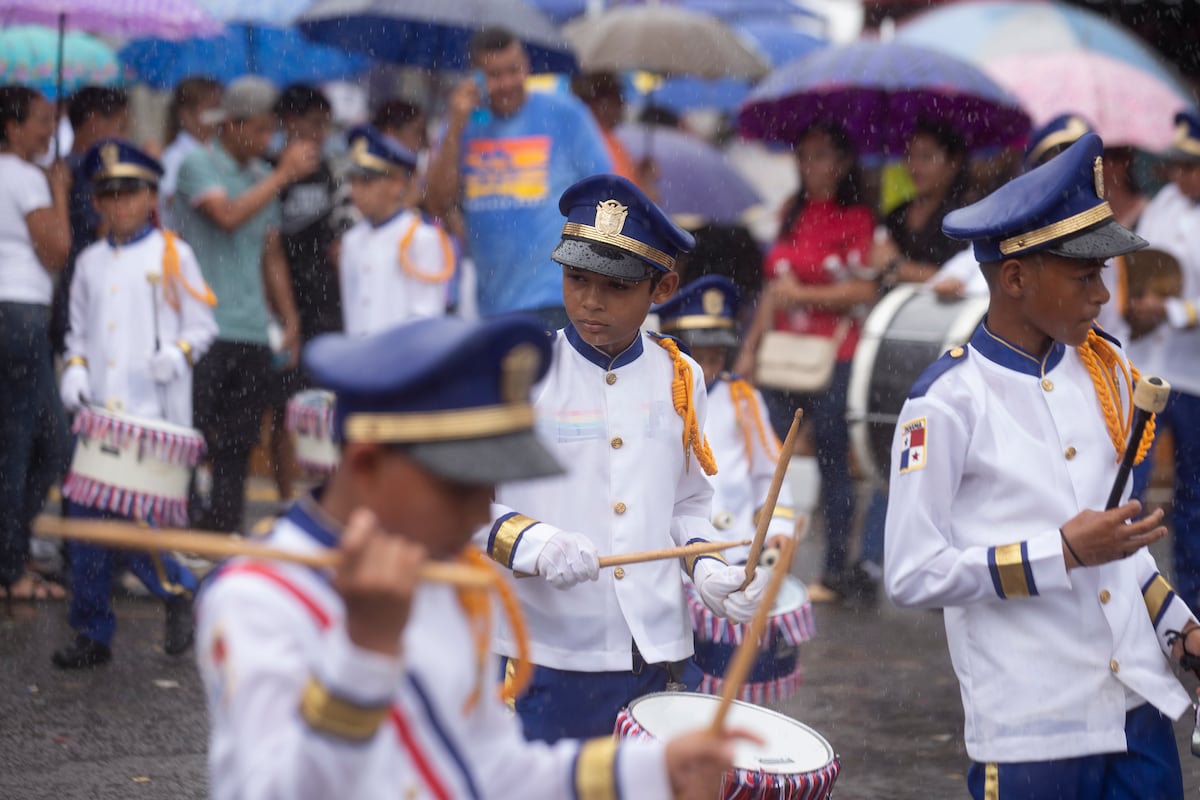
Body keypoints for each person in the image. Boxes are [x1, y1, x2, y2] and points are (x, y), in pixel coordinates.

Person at [195, 314, 751, 800]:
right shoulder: (261, 595)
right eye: (460, 488)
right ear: (366, 464)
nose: (477, 516)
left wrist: (654, 772)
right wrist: (364, 654)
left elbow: (492, 774)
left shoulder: (447, 577)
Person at [884, 132, 1200, 800]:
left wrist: (1182, 629)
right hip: (1031, 719)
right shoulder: (945, 404)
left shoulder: (1104, 375)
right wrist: (1057, 553)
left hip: (1134, 704)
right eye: (1085, 276)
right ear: (1017, 277)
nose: (1102, 295)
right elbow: (913, 572)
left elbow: (1117, 547)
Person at [477, 174, 769, 743]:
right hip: (547, 652)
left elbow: (686, 503)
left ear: (661, 290)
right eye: (577, 278)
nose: (590, 300)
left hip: (652, 656)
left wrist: (704, 565)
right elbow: (458, 509)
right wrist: (533, 542)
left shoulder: (680, 375)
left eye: (615, 286)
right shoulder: (520, 372)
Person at [53, 140, 217, 669]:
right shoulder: (89, 261)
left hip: (151, 416)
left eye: (128, 193)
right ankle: (93, 630)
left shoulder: (174, 252)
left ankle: (177, 587)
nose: (118, 204)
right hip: (100, 413)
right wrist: (75, 370)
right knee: (85, 523)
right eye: (108, 194)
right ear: (97, 201)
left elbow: (202, 325)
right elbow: (76, 332)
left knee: (131, 524)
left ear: (150, 196)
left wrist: (178, 352)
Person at [733, 120, 877, 604]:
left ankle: (836, 568)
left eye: (820, 155)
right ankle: (765, 556)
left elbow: (864, 289)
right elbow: (773, 290)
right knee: (770, 454)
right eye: (805, 156)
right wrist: (749, 349)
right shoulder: (791, 212)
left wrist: (808, 294)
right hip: (782, 353)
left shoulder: (857, 219)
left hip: (835, 352)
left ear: (841, 163)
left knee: (835, 460)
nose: (811, 165)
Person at [174, 76, 319, 533]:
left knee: (238, 443)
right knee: (192, 437)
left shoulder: (261, 176)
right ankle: (180, 530)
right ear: (231, 125)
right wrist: (283, 175)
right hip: (203, 328)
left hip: (253, 329)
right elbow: (229, 216)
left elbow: (271, 252)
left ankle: (225, 531)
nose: (266, 141)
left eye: (270, 131)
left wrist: (289, 319)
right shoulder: (198, 164)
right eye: (258, 130)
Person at [424, 26, 612, 328]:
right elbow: (436, 203)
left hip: (559, 296)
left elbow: (608, 194)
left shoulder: (566, 113)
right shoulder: (461, 122)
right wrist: (456, 125)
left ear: (527, 65)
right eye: (495, 75)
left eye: (515, 70)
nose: (508, 83)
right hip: (492, 304)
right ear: (475, 76)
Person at [653, 274, 797, 560]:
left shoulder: (743, 399)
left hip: (735, 549)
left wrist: (778, 526)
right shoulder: (652, 396)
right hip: (670, 556)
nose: (704, 370)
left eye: (715, 358)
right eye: (696, 358)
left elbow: (767, 473)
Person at [0, 85, 72, 602]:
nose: (50, 132)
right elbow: (56, 250)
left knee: (47, 441)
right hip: (21, 314)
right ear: (12, 128)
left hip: (14, 316)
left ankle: (12, 548)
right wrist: (61, 191)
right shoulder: (25, 177)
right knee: (24, 444)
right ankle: (9, 568)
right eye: (42, 121)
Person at [265, 84, 347, 502]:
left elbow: (342, 226)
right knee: (284, 406)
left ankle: (325, 493)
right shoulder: (269, 171)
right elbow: (268, 245)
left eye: (324, 125)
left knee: (324, 404)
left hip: (329, 304)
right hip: (284, 305)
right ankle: (283, 497)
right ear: (290, 122)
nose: (320, 133)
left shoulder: (330, 171)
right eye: (313, 124)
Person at [1132, 110, 1200, 615]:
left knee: (1193, 494)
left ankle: (1193, 601)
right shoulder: (1163, 205)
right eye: (1176, 164)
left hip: (1195, 377)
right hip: (1150, 368)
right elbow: (1142, 266)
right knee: (1129, 484)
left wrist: (1174, 310)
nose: (1181, 175)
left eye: (1191, 165)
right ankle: (1136, 596)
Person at [340, 125, 453, 336]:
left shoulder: (422, 237)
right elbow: (353, 314)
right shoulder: (352, 240)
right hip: (359, 362)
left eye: (366, 182)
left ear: (396, 184)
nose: (356, 191)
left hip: (404, 363)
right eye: (352, 181)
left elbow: (426, 319)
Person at [49, 86, 131, 357]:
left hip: (64, 286)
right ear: (94, 121)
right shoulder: (90, 168)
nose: (124, 137)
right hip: (86, 285)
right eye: (120, 126)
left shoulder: (63, 166)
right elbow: (106, 228)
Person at [873, 118, 971, 289]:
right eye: (910, 156)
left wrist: (896, 266)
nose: (915, 166)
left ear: (952, 163)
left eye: (926, 157)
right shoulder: (896, 214)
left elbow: (954, 278)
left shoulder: (963, 219)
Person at [158, 76, 222, 230]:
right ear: (186, 114)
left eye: (220, 108)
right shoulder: (174, 157)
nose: (218, 116)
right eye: (212, 108)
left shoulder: (216, 151)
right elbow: (171, 200)